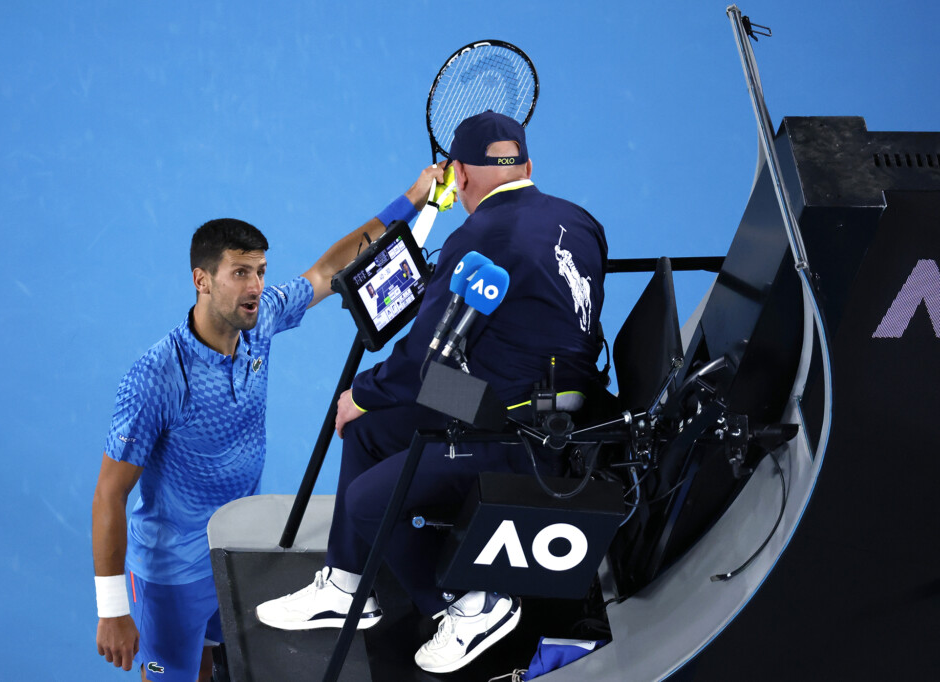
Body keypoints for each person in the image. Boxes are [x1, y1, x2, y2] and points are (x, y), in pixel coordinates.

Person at [256, 111, 609, 674]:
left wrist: (362, 393)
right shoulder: (581, 221)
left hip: (512, 425)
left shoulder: (479, 236)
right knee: (372, 432)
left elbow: (421, 363)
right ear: (526, 165)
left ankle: (472, 606)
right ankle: (346, 585)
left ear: (461, 178)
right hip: (552, 404)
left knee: (371, 491)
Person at [91, 168, 444, 682]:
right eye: (240, 272)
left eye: (259, 270)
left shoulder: (260, 322)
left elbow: (329, 269)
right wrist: (112, 608)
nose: (256, 286)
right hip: (173, 576)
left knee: (219, 658)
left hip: (235, 545)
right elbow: (108, 494)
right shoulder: (158, 377)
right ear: (202, 279)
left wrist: (411, 200)